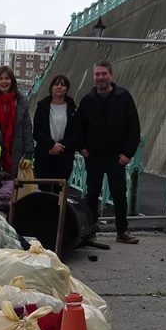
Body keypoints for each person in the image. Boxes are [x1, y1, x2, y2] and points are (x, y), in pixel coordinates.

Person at [75, 60, 141, 244]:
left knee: (119, 195)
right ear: (93, 76)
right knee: (91, 195)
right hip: (94, 156)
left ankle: (121, 232)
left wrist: (128, 153)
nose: (101, 77)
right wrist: (83, 149)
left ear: (111, 75)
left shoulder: (124, 97)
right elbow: (78, 128)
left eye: (104, 74)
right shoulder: (87, 101)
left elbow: (133, 128)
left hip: (116, 157)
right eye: (97, 74)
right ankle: (90, 231)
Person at [33, 74, 78, 190]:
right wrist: (51, 145)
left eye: (63, 85)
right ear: (51, 87)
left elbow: (75, 132)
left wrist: (60, 146)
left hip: (64, 156)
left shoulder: (73, 108)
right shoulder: (42, 107)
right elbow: (37, 131)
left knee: (60, 192)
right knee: (44, 191)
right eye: (56, 84)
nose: (59, 87)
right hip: (44, 155)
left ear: (67, 88)